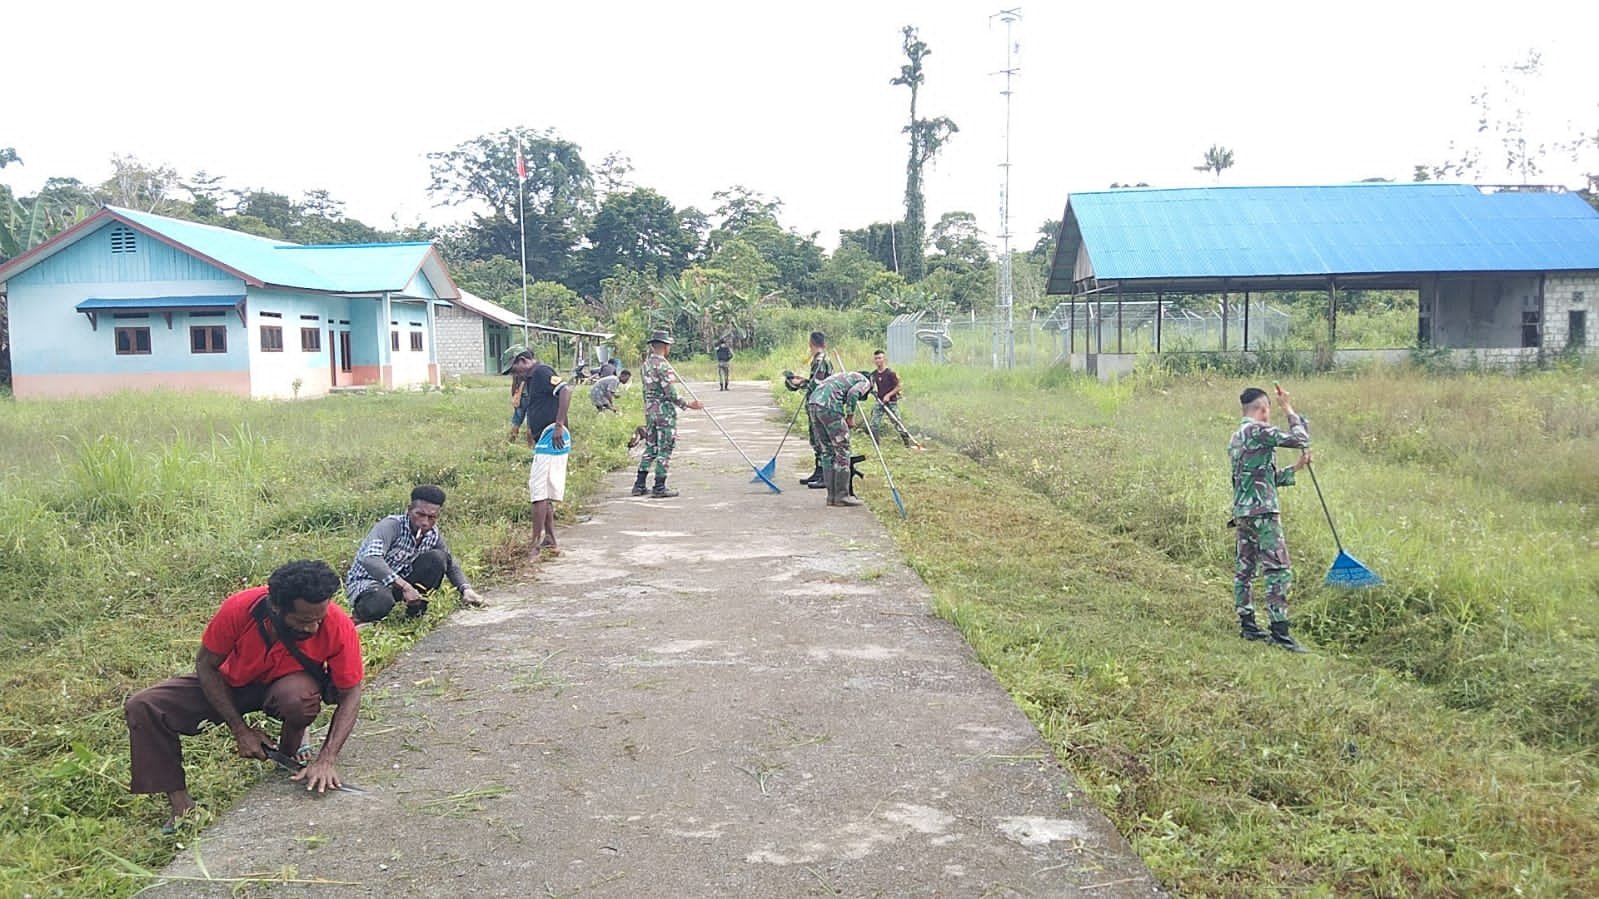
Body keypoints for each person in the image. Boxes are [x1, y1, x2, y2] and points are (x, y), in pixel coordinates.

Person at [124, 559, 364, 832]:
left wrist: (327, 759)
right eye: (303, 621)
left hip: (286, 686)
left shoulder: (337, 624)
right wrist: (240, 730)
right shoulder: (240, 608)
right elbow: (206, 664)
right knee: (144, 706)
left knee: (299, 698)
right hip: (232, 683)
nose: (313, 628)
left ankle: (288, 752)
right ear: (276, 607)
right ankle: (181, 806)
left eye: (318, 619)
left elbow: (351, 692)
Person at [1229, 384, 1313, 652]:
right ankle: (1280, 631)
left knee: (1246, 570)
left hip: (1243, 513)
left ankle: (1249, 625)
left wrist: (1295, 469)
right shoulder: (1258, 430)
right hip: (1263, 514)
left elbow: (1262, 479)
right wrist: (1288, 407)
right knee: (1278, 568)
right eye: (1270, 409)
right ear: (1263, 408)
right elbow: (1299, 440)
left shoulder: (1237, 437)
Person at [345, 485, 486, 623]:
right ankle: (357, 619)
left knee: (438, 558)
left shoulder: (432, 533)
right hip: (369, 583)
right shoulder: (391, 526)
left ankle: (415, 613)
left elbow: (450, 563)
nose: (424, 522)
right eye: (420, 514)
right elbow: (370, 559)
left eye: (432, 517)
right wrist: (405, 586)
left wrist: (466, 589)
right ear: (409, 510)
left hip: (399, 582)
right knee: (381, 599)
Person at [631, 330, 702, 498]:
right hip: (664, 413)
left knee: (651, 447)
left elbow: (646, 390)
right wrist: (689, 404)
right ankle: (659, 486)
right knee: (665, 447)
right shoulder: (663, 366)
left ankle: (639, 485)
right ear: (665, 346)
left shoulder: (646, 364)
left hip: (650, 411)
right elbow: (670, 392)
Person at [523, 360, 574, 557]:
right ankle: (550, 539)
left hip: (552, 437)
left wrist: (559, 424)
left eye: (515, 369)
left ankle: (535, 545)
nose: (514, 374)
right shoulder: (531, 379)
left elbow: (565, 391)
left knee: (538, 492)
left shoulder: (541, 372)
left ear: (523, 361)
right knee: (543, 490)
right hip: (544, 439)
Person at [807, 370, 873, 508]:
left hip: (813, 404)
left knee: (827, 451)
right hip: (830, 406)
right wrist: (850, 415)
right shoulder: (865, 381)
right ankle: (842, 496)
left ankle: (831, 497)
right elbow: (854, 393)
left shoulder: (844, 376)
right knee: (842, 450)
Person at [783, 331, 833, 488]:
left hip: (820, 404)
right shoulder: (820, 359)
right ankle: (818, 472)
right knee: (815, 440)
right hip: (816, 403)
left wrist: (799, 383)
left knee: (821, 440)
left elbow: (818, 384)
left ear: (811, 343)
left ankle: (825, 476)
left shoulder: (820, 360)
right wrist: (802, 379)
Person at [867, 349, 914, 447]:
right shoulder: (874, 374)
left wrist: (888, 395)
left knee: (897, 423)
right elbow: (870, 386)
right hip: (880, 402)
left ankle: (907, 443)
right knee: (873, 424)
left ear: (884, 359)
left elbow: (899, 386)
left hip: (891, 402)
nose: (878, 360)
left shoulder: (891, 373)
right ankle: (876, 445)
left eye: (879, 358)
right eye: (876, 358)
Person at [503, 346, 534, 443]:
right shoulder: (531, 370)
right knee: (530, 425)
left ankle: (511, 442)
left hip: (520, 398)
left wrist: (514, 397)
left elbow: (514, 384)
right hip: (530, 398)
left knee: (516, 422)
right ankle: (530, 446)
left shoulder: (517, 372)